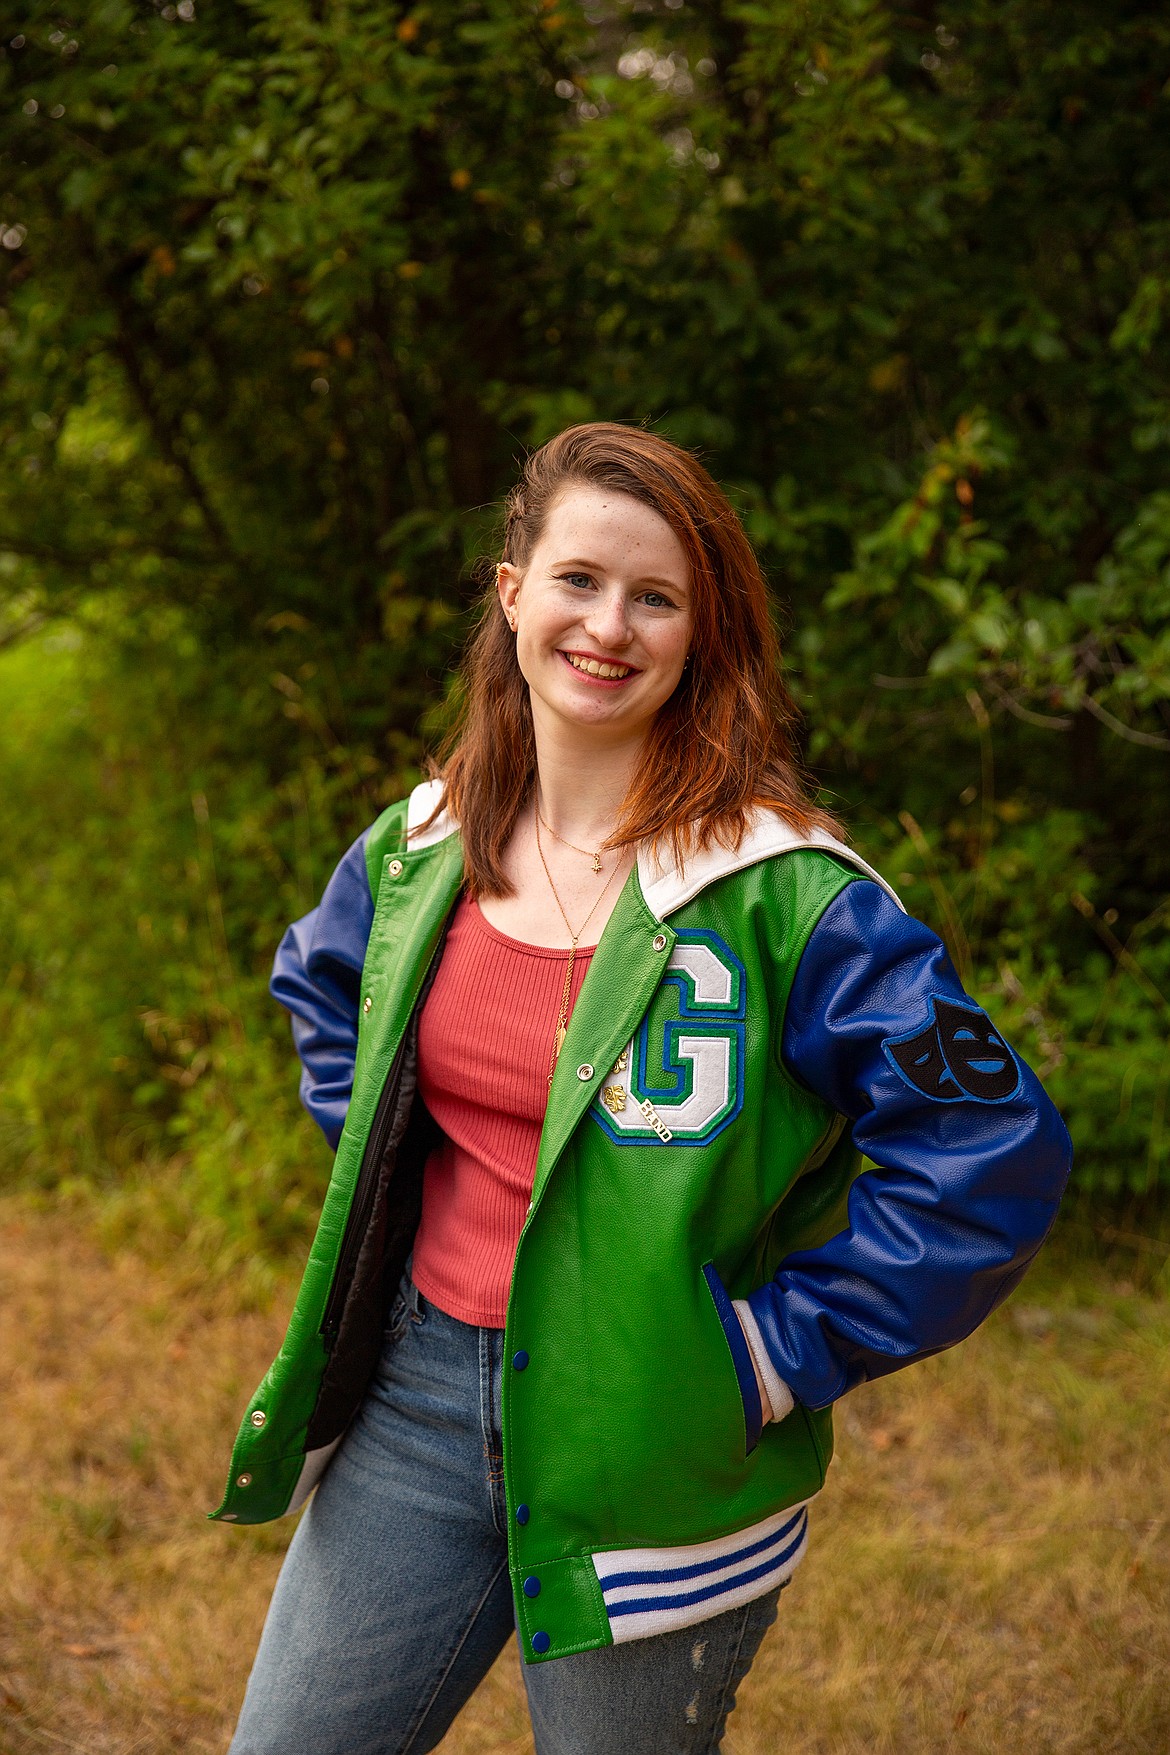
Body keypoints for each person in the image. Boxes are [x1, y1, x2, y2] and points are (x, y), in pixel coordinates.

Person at [216, 423, 1072, 1754]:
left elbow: (989, 1141)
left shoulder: (786, 895)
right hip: (417, 1403)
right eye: (577, 581)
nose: (607, 626)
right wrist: (387, 1178)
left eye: (654, 596)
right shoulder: (423, 843)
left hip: (659, 1443)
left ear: (696, 629)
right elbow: (328, 995)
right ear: (511, 594)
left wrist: (777, 1352)